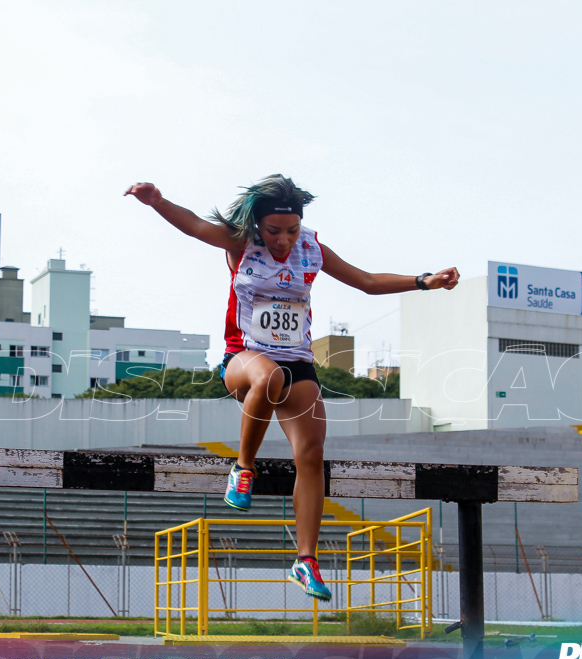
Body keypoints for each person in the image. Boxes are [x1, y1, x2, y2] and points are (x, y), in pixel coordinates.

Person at [125, 175, 459, 601]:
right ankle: (243, 468)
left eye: (291, 231)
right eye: (274, 231)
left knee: (312, 454)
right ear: (257, 226)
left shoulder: (311, 248)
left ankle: (305, 560)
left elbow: (367, 281)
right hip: (244, 361)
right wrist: (158, 202)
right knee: (269, 377)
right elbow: (193, 225)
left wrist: (423, 280)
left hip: (299, 363)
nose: (283, 240)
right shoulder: (240, 242)